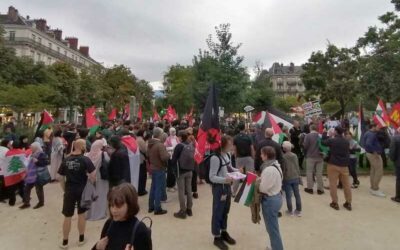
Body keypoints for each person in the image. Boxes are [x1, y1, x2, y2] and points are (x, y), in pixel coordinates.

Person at [58, 139, 96, 249]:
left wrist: (65, 189)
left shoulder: (66, 159)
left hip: (69, 190)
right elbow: (93, 175)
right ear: (82, 146)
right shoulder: (85, 159)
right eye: (84, 145)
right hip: (82, 190)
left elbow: (60, 177)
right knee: (81, 214)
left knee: (67, 216)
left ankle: (65, 242)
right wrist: (91, 184)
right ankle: (81, 239)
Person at [93, 183, 152, 250]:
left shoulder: (140, 230)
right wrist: (97, 247)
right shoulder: (109, 224)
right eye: (112, 205)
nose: (114, 210)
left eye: (118, 206)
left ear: (130, 205)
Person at [209, 135, 237, 250]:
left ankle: (224, 231)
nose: (231, 146)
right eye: (229, 144)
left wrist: (238, 171)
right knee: (218, 211)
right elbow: (212, 177)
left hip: (227, 187)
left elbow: (229, 168)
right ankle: (216, 236)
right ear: (223, 144)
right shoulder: (215, 158)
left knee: (225, 210)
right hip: (219, 189)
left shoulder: (227, 154)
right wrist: (225, 180)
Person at [259, 146, 284, 250]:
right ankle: (274, 246)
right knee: (272, 228)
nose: (260, 156)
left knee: (272, 229)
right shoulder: (275, 164)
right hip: (276, 197)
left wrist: (256, 183)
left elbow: (263, 188)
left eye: (261, 154)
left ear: (266, 155)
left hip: (270, 200)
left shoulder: (269, 169)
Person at [322, 127, 352, 211]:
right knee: (346, 185)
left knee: (333, 184)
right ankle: (348, 202)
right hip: (344, 165)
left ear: (335, 132)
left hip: (333, 164)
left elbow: (323, 142)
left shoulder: (333, 140)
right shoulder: (346, 141)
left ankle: (335, 202)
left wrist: (325, 134)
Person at [171, 130, 194, 219]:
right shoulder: (190, 145)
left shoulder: (179, 146)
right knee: (189, 190)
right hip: (189, 170)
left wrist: (173, 169)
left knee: (181, 191)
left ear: (180, 137)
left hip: (180, 171)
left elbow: (173, 159)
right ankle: (189, 209)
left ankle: (182, 210)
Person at [19, 142, 49, 209]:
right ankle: (26, 203)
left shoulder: (41, 154)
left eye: (32, 147)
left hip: (38, 175)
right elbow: (29, 165)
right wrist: (26, 174)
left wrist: (37, 161)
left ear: (36, 147)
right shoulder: (31, 154)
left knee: (38, 189)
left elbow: (46, 162)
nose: (30, 148)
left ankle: (41, 203)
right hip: (31, 175)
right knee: (27, 189)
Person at [148, 127, 170, 215]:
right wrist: (169, 154)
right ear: (159, 134)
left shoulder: (150, 143)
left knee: (153, 187)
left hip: (153, 167)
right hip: (159, 168)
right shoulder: (160, 145)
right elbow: (164, 157)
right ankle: (157, 208)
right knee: (158, 188)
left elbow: (147, 154)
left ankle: (151, 206)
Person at [86, 139, 109, 221]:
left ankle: (90, 214)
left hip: (90, 178)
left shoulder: (87, 155)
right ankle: (100, 213)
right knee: (101, 195)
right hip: (101, 178)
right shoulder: (103, 154)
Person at [362, 123, 385, 197]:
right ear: (373, 127)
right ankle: (375, 189)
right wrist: (374, 151)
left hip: (370, 153)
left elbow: (365, 143)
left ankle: (373, 187)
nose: (378, 128)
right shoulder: (371, 134)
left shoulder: (368, 133)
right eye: (377, 127)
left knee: (373, 170)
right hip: (373, 155)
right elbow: (368, 144)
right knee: (379, 171)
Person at [303, 124, 324, 195]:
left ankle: (310, 188)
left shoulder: (308, 136)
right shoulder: (320, 135)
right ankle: (320, 189)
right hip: (320, 156)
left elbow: (305, 146)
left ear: (310, 128)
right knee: (319, 173)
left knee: (309, 172)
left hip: (310, 156)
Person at [282, 141, 302, 217]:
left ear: (284, 148)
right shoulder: (295, 155)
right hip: (295, 176)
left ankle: (290, 211)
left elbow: (283, 168)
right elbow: (297, 166)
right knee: (297, 194)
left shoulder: (283, 157)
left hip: (287, 177)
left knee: (288, 195)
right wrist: (299, 175)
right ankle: (298, 210)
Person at [165, 127, 180, 191]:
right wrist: (172, 148)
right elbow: (166, 147)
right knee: (170, 171)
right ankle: (169, 186)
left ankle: (173, 184)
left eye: (174, 131)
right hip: (170, 157)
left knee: (175, 171)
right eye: (172, 131)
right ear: (170, 132)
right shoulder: (168, 139)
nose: (174, 132)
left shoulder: (177, 138)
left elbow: (179, 144)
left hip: (176, 156)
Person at [389, 127, 400, 203]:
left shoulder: (395, 138)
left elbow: (392, 151)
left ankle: (398, 197)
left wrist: (392, 159)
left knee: (399, 179)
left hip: (398, 162)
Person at [136, 129, 148, 196]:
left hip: (138, 159)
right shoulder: (141, 140)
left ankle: (140, 189)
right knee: (142, 175)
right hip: (141, 159)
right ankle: (141, 190)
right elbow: (145, 150)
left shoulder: (136, 139)